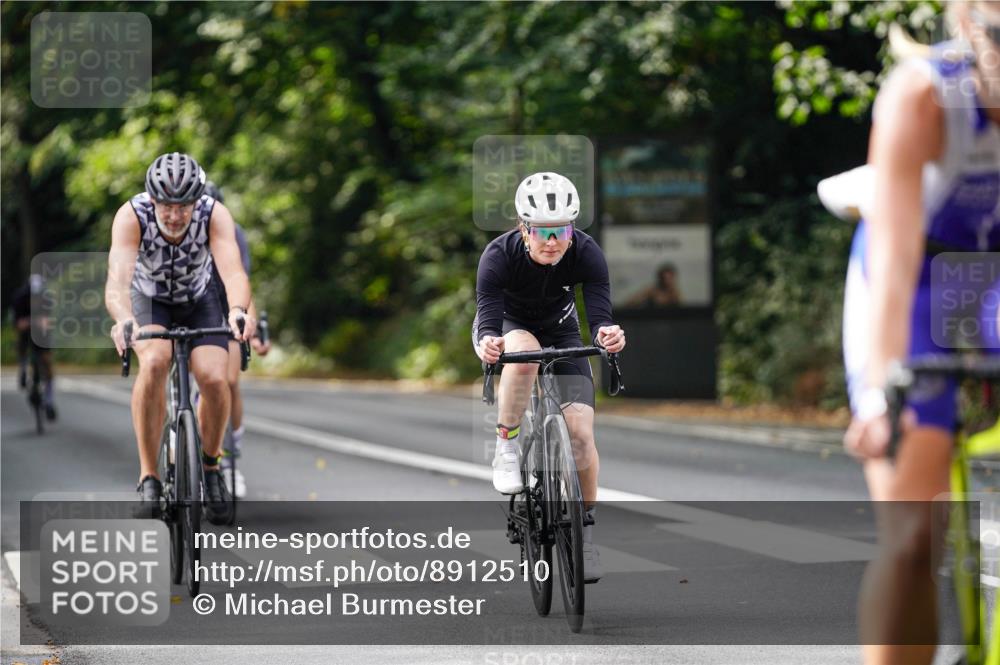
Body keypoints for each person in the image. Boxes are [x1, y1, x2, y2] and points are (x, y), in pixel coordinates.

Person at [825, 5, 1000, 663]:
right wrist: (879, 395)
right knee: (912, 535)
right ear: (967, 24)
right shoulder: (925, 95)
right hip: (920, 279)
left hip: (994, 282)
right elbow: (894, 264)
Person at [472, 171, 626, 583]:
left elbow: (600, 317)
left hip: (560, 328)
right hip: (509, 325)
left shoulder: (587, 252)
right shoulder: (498, 255)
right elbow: (487, 320)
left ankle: (585, 534)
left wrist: (607, 336)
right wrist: (488, 344)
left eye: (562, 230)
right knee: (523, 356)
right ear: (524, 228)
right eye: (543, 231)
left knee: (580, 436)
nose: (553, 240)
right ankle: (506, 445)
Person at [105, 152, 254, 525]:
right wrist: (124, 318)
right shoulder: (131, 216)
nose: (174, 216)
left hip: (198, 298)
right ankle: (148, 477)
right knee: (155, 361)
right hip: (150, 299)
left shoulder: (213, 214)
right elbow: (117, 282)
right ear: (152, 200)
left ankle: (211, 464)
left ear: (196, 201)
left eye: (183, 206)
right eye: (166, 206)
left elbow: (233, 272)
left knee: (216, 379)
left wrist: (237, 310)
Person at [202, 181, 272, 498]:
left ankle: (229, 457)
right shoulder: (171, 228)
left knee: (228, 380)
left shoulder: (231, 231)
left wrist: (253, 330)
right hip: (185, 304)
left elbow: (242, 282)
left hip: (223, 305)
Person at [10, 274, 56, 420]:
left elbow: (48, 320)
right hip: (25, 327)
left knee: (47, 362)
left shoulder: (46, 299)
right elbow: (17, 324)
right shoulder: (19, 298)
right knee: (22, 341)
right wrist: (27, 323)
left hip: (40, 330)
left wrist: (44, 322)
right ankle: (23, 367)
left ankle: (49, 401)